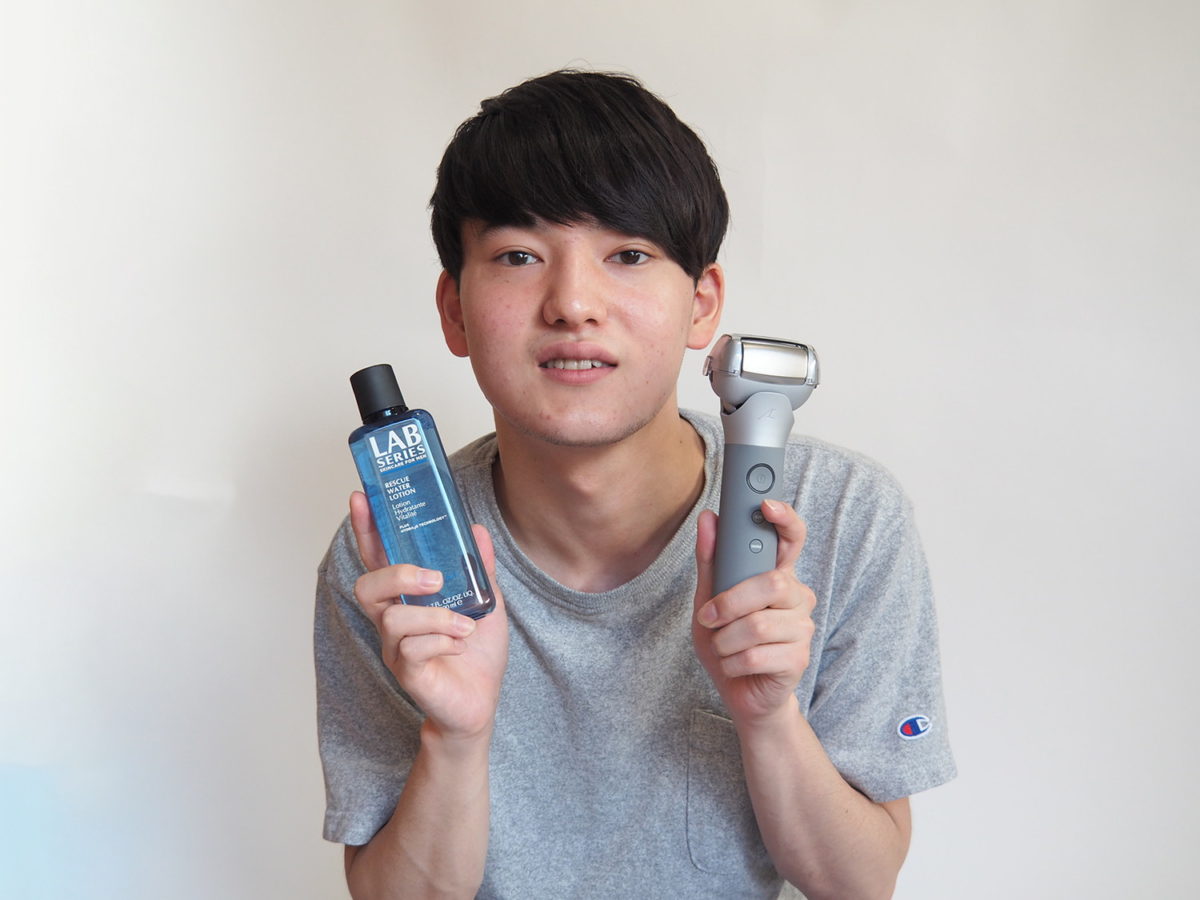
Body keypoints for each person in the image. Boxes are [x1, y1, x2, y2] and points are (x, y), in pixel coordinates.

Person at [315, 69, 955, 900]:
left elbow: (859, 884)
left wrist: (767, 717)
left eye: (628, 255)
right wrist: (456, 736)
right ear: (455, 310)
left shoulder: (844, 515)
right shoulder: (399, 553)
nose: (573, 304)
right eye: (518, 256)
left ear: (703, 304)